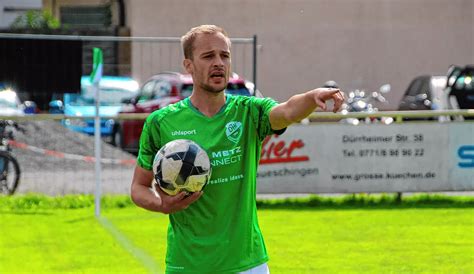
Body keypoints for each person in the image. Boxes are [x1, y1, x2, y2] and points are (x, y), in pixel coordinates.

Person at [130, 24, 344, 273]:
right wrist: (162, 204)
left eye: (225, 55)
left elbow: (285, 111)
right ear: (188, 65)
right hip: (187, 264)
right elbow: (138, 187)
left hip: (247, 264)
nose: (219, 62)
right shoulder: (161, 122)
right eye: (208, 56)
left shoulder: (249, 112)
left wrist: (311, 97)